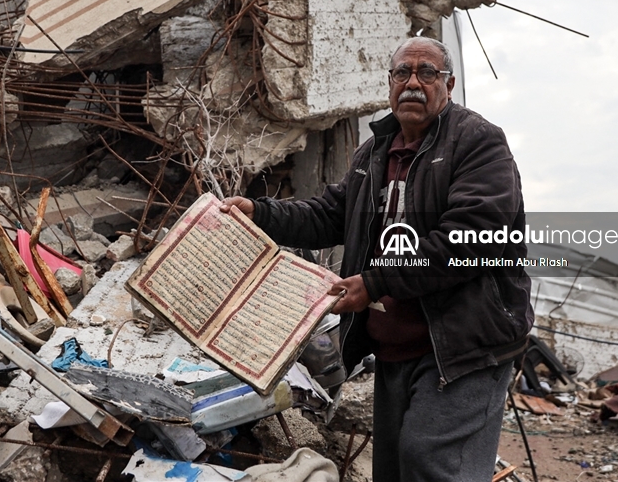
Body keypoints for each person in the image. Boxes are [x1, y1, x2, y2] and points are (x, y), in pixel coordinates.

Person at [221, 36, 533, 481]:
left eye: (428, 72)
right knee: (394, 470)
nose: (413, 83)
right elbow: (331, 215)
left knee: (431, 463)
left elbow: (471, 239)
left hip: (463, 345)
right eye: (403, 72)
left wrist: (374, 283)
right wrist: (261, 213)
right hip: (395, 346)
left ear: (449, 85)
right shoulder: (374, 151)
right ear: (389, 83)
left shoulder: (477, 141)